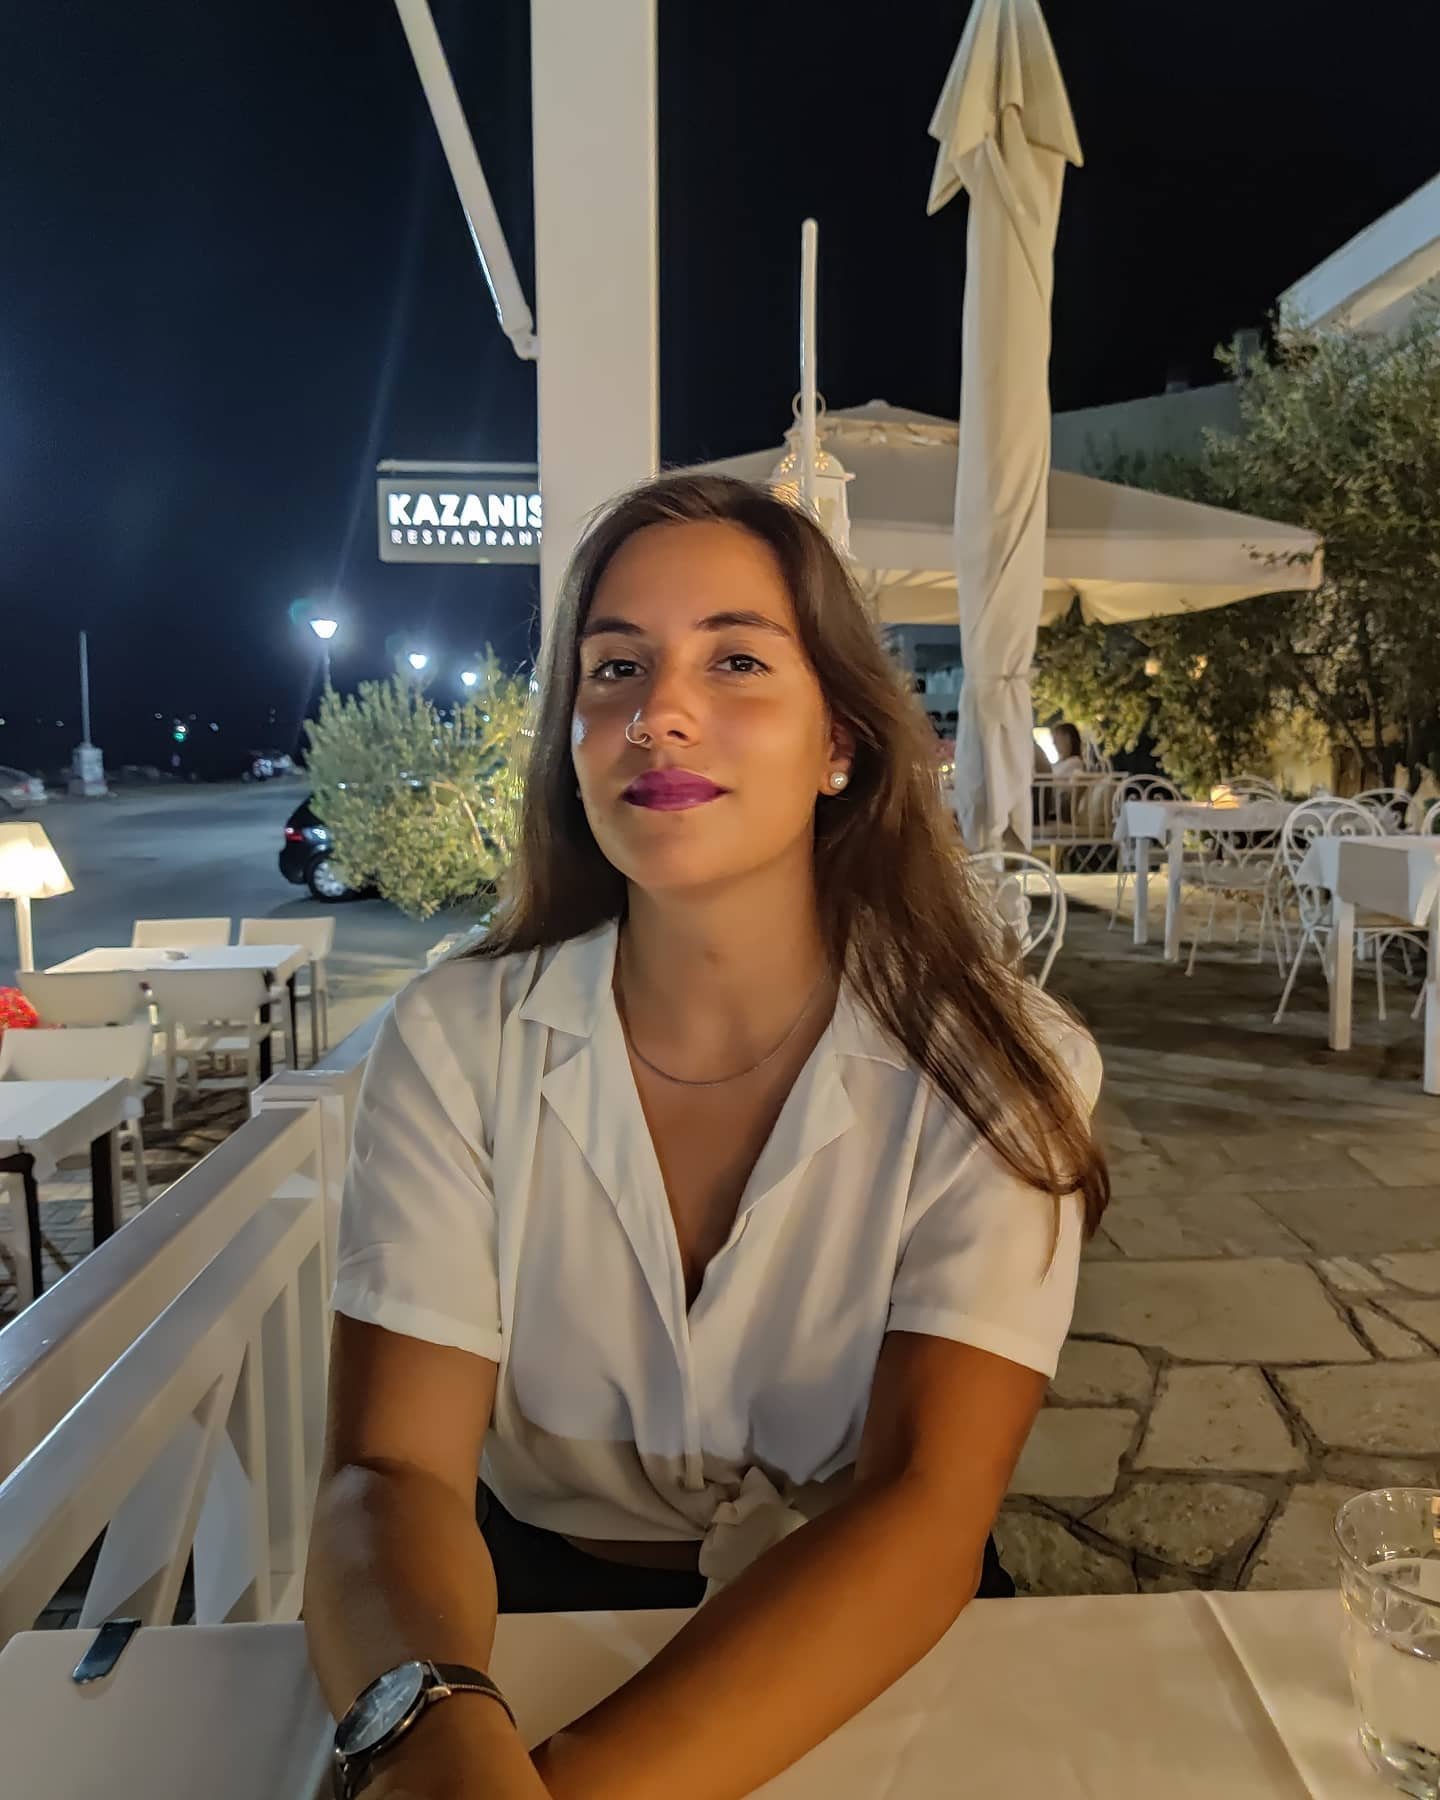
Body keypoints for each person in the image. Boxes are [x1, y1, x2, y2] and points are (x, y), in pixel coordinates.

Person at [303, 474, 1109, 1800]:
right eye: (614, 668)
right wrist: (435, 1745)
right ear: (572, 740)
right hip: (508, 1631)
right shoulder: (457, 1039)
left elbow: (923, 1500)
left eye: (736, 660)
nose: (657, 713)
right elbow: (390, 1473)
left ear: (841, 741)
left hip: (863, 1632)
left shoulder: (998, 1066)